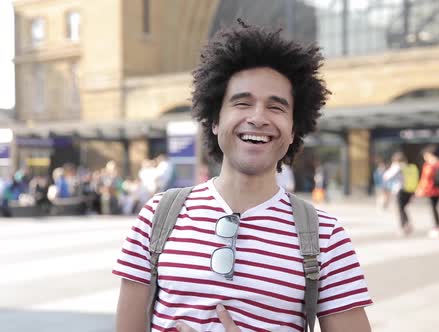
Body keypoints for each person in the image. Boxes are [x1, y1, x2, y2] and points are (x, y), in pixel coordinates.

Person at [113, 21, 372, 332]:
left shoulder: (325, 237)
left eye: (276, 107)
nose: (258, 118)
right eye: (242, 102)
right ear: (214, 121)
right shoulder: (157, 217)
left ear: (293, 130)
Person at [415, 145, 439, 238]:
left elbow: (425, 179)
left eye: (425, 155)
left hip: (432, 190)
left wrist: (420, 189)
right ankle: (438, 226)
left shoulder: (429, 165)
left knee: (434, 208)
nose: (424, 157)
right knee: (434, 208)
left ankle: (437, 227)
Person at [383, 152, 418, 236]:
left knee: (400, 209)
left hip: (400, 191)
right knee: (403, 208)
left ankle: (403, 227)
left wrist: (392, 166)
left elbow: (386, 176)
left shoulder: (397, 167)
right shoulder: (411, 167)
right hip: (410, 190)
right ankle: (407, 224)